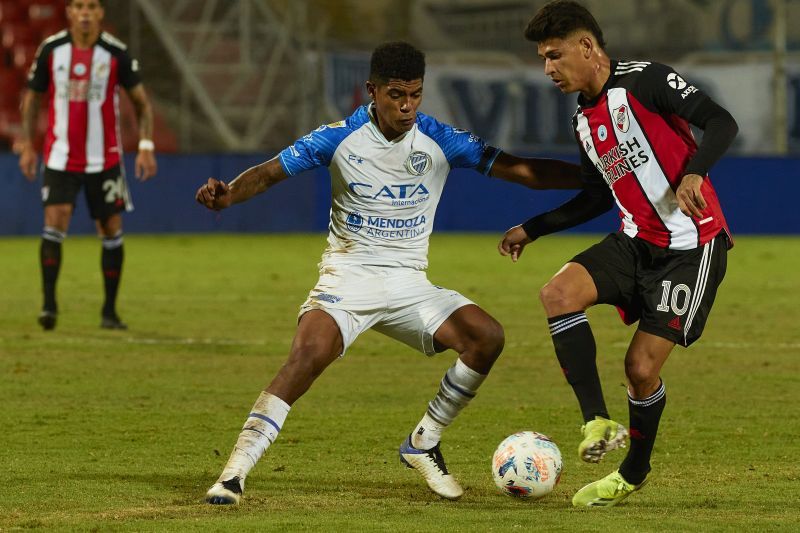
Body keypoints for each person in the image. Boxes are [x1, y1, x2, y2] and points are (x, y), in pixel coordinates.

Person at [196, 41, 583, 505]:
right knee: (307, 356)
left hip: (408, 284)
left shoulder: (440, 139)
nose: (407, 106)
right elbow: (270, 172)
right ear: (371, 91)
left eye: (416, 95)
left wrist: (595, 174)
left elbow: (523, 170)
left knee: (486, 337)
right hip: (348, 276)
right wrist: (229, 194)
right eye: (396, 94)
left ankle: (423, 443)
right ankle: (233, 474)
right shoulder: (337, 137)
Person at [498, 0, 737, 508]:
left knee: (641, 370)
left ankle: (633, 471)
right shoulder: (584, 121)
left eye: (555, 55)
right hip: (634, 242)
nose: (548, 69)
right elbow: (595, 196)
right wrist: (533, 228)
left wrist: (694, 171)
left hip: (690, 249)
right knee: (557, 294)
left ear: (588, 47)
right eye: (543, 59)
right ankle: (596, 421)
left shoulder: (646, 79)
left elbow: (720, 121)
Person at [19, 0, 158, 331]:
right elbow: (32, 98)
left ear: (100, 13)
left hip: (104, 158)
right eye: (78, 6)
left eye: (91, 6)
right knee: (55, 220)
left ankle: (109, 312)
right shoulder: (51, 50)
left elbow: (141, 103)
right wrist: (27, 145)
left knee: (110, 228)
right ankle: (49, 305)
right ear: (69, 12)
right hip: (60, 156)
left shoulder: (115, 53)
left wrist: (146, 145)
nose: (84, 12)